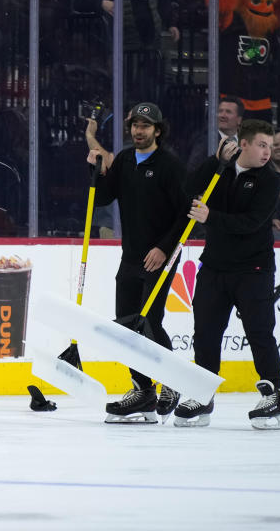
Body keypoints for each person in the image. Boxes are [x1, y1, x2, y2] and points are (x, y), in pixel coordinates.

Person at [176, 119, 280, 429]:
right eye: (262, 145)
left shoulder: (269, 180)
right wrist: (215, 160)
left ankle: (274, 395)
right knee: (206, 333)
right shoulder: (222, 170)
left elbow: (251, 223)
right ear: (245, 144)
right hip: (214, 266)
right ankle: (203, 394)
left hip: (253, 269)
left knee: (259, 332)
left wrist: (211, 216)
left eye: (271, 145)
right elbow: (187, 187)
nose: (269, 152)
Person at [86, 102, 188, 424]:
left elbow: (185, 216)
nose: (138, 131)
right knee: (127, 325)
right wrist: (96, 169)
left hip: (161, 256)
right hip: (130, 256)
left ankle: (172, 380)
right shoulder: (126, 160)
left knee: (150, 323)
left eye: (145, 126)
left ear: (158, 130)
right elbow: (103, 197)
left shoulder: (171, 166)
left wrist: (162, 248)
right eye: (134, 126)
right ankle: (143, 391)